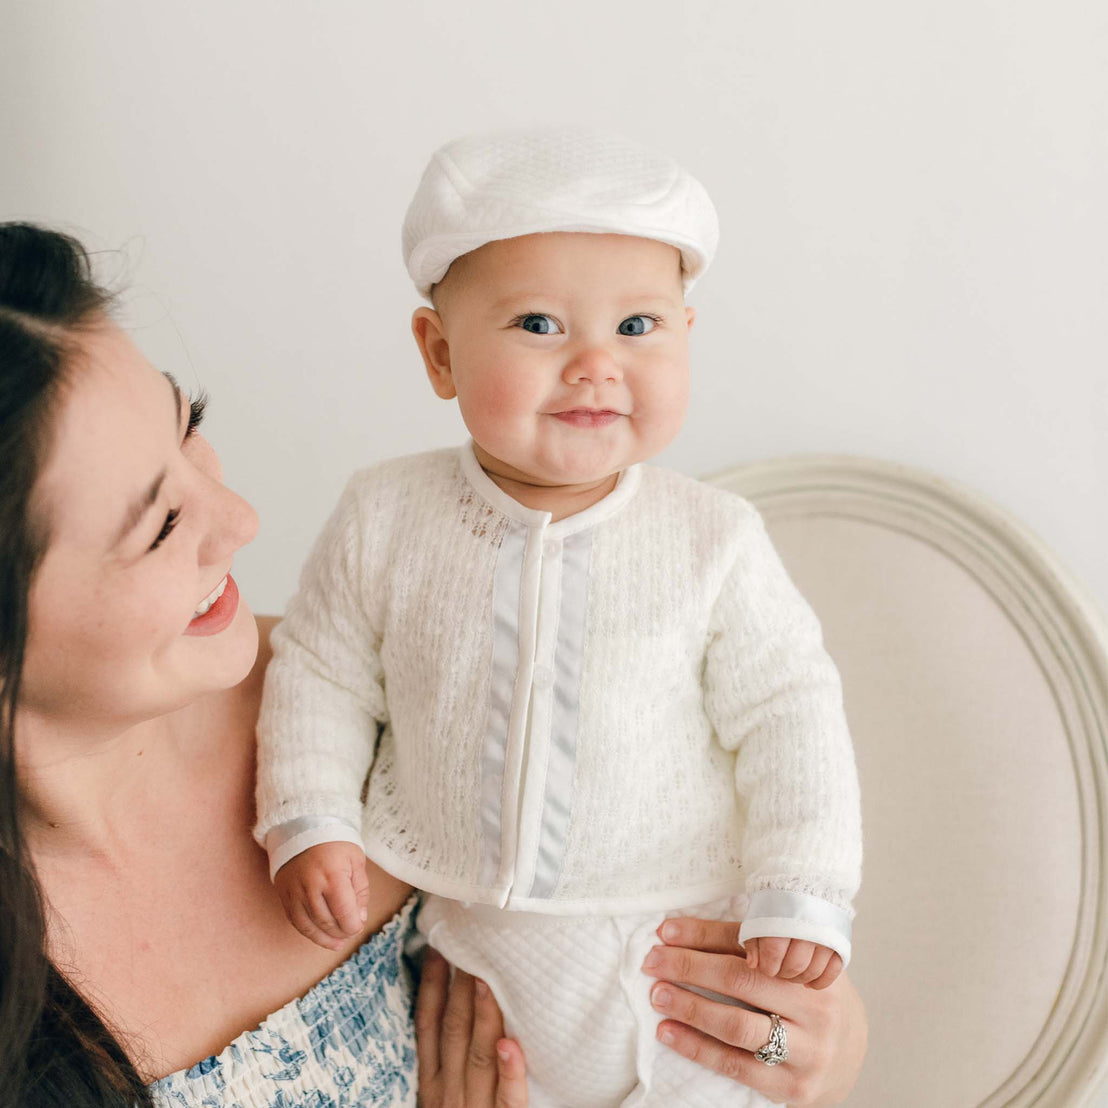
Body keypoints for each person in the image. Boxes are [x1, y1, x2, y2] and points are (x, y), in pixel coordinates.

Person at [0, 221, 866, 1108]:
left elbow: (772, 728)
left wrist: (806, 1041)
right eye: (160, 526)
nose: (239, 519)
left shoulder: (392, 689)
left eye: (191, 430)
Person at [255, 129, 863, 1105]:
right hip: (467, 953)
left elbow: (791, 714)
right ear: (440, 350)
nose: (593, 364)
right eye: (538, 324)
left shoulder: (713, 540)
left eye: (637, 327)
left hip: (674, 955)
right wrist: (309, 815)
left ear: (687, 334)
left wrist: (803, 890)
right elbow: (319, 674)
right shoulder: (385, 516)